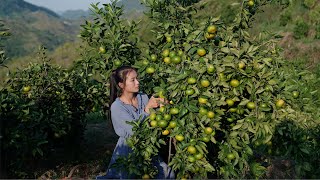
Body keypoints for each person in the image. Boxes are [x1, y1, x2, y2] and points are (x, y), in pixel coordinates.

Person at [97, 65, 174, 179]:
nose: (137, 82)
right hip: (129, 149)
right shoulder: (117, 107)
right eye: (133, 80)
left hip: (147, 147)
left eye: (137, 79)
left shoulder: (142, 97)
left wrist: (163, 104)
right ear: (121, 85)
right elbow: (135, 131)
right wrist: (147, 109)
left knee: (167, 174)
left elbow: (152, 118)